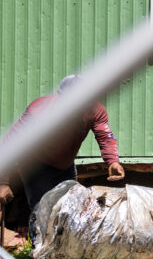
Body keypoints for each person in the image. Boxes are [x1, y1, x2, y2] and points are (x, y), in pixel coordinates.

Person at [0, 75, 125, 211]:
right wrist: (3, 182)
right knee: (42, 211)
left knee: (71, 209)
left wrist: (113, 161)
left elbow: (105, 137)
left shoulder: (95, 109)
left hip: (65, 165)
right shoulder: (39, 109)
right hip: (35, 165)